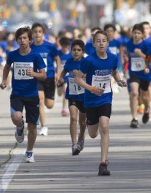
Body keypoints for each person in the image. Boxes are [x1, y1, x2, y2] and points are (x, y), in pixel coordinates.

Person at [75, 30, 126, 176]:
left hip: (105, 97)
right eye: (98, 41)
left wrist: (119, 80)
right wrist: (91, 88)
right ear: (93, 43)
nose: (101, 43)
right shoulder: (88, 60)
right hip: (91, 100)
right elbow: (78, 79)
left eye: (104, 40)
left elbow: (114, 71)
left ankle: (103, 163)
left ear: (108, 43)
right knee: (92, 134)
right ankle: (87, 132)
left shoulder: (113, 58)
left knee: (104, 125)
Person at [0, 26, 46, 163]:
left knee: (32, 127)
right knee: (16, 116)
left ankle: (30, 152)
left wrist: (34, 74)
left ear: (30, 40)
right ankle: (19, 126)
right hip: (17, 94)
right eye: (19, 38)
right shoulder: (12, 55)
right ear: (16, 41)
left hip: (32, 95)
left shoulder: (36, 56)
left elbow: (43, 75)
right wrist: (3, 80)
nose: (22, 40)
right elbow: (7, 67)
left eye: (25, 38)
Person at [31, 22, 61, 136]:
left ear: (43, 33)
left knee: (50, 104)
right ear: (32, 34)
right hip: (37, 77)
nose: (37, 34)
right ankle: (44, 126)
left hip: (49, 77)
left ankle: (42, 114)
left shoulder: (50, 46)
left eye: (40, 32)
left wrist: (58, 72)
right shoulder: (30, 47)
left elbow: (57, 59)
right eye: (35, 32)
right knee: (40, 100)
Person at [57, 39, 86, 156]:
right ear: (71, 51)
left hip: (84, 95)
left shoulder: (87, 62)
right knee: (73, 118)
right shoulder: (69, 62)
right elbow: (64, 72)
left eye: (79, 50)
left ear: (83, 52)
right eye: (74, 50)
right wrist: (60, 78)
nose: (76, 52)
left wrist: (80, 75)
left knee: (82, 121)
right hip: (72, 94)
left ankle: (81, 138)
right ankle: (74, 144)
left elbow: (91, 74)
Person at [126, 23, 151, 128]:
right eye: (134, 33)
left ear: (142, 35)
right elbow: (126, 55)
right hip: (134, 72)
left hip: (144, 73)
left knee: (145, 96)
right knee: (134, 93)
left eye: (138, 33)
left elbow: (150, 59)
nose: (136, 35)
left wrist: (141, 55)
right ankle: (134, 118)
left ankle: (146, 110)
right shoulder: (129, 44)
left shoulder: (145, 45)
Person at [57, 36, 72, 116]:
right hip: (60, 76)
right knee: (59, 93)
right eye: (63, 46)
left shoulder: (71, 54)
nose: (65, 48)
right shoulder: (58, 54)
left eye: (66, 46)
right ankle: (58, 88)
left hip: (68, 76)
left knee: (65, 91)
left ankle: (64, 109)